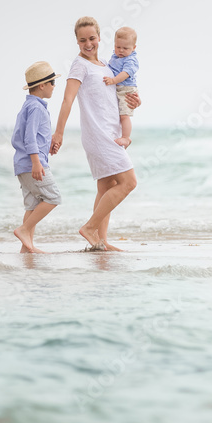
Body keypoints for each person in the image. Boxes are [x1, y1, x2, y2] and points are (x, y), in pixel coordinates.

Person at [51, 16, 142, 251]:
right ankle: (90, 228)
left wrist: (135, 101)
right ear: (77, 42)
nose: (88, 43)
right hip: (98, 136)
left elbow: (118, 94)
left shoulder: (106, 64)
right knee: (129, 182)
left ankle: (100, 242)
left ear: (100, 38)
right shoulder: (79, 65)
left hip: (112, 132)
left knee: (106, 187)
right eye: (83, 40)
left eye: (92, 38)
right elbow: (68, 99)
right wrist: (58, 133)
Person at [11, 61, 62, 253]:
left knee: (32, 205)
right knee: (53, 197)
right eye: (52, 83)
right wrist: (36, 162)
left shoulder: (30, 105)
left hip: (24, 163)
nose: (54, 87)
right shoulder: (36, 108)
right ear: (42, 85)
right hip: (31, 164)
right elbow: (29, 137)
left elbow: (29, 136)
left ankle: (27, 247)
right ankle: (23, 231)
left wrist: (48, 144)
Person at [102, 26, 139, 148]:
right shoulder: (116, 56)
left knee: (124, 116)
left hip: (126, 90)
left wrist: (113, 80)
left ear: (133, 48)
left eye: (125, 48)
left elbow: (124, 74)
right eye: (118, 47)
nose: (121, 51)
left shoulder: (131, 60)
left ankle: (126, 137)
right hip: (119, 88)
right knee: (119, 115)